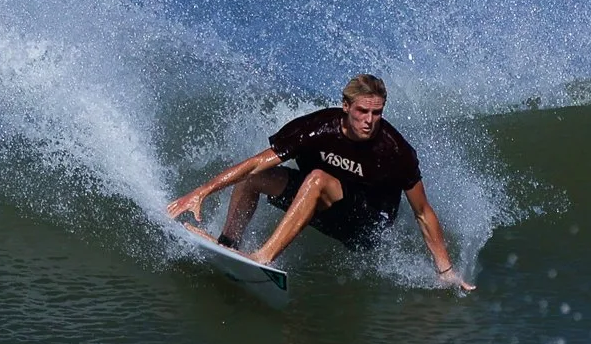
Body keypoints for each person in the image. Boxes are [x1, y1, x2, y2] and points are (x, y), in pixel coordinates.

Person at [167, 74, 473, 291]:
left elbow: (422, 211)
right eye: (362, 111)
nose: (370, 120)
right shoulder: (315, 129)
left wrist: (445, 270)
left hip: (365, 226)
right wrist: (201, 191)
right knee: (255, 177)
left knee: (316, 179)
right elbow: (257, 162)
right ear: (346, 106)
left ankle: (262, 257)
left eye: (377, 113)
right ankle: (228, 246)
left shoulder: (395, 151)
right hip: (327, 203)